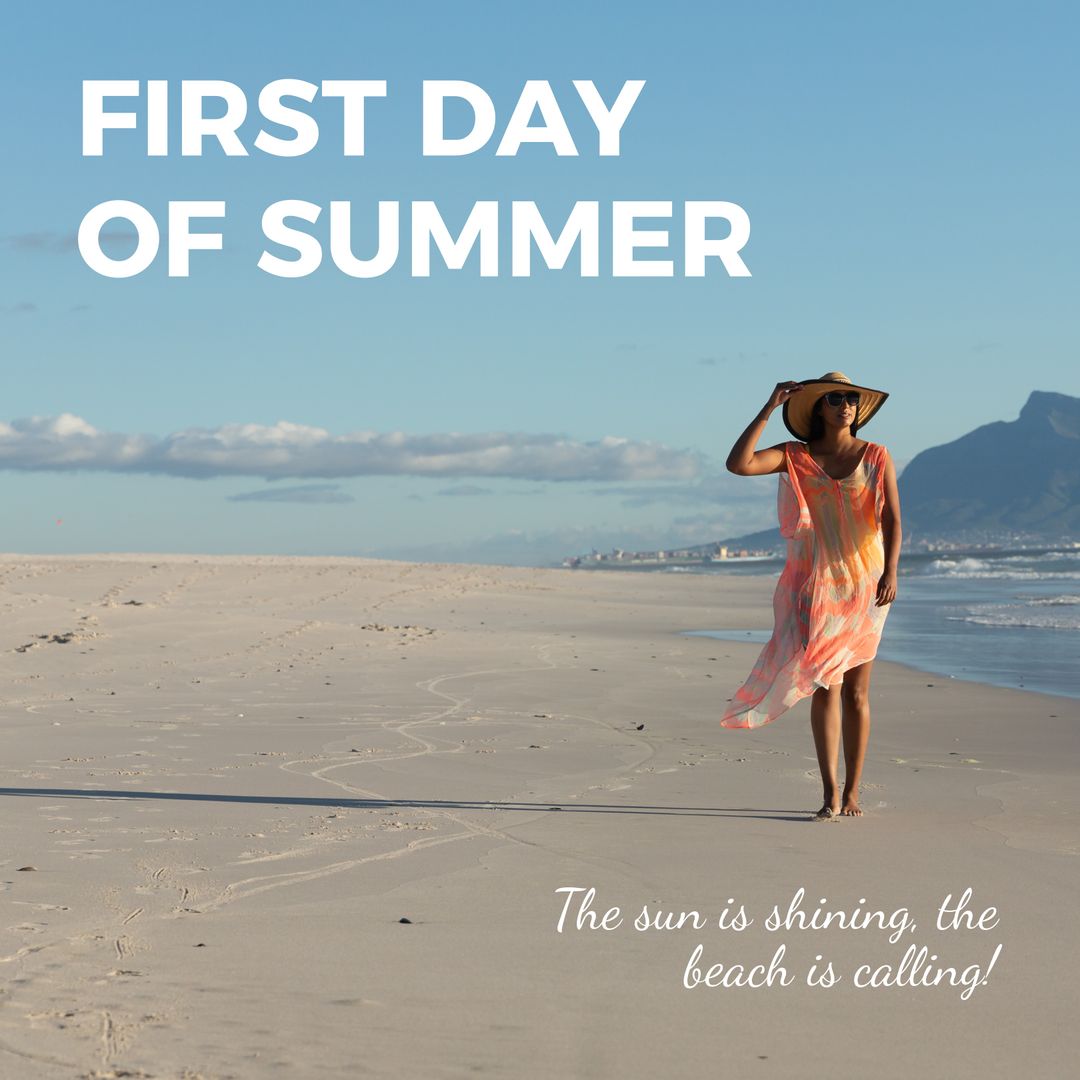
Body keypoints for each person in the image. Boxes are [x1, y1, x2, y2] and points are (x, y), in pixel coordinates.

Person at [722, 372, 901, 820]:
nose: (846, 405)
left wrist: (892, 572)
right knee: (825, 685)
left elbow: (893, 519)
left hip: (867, 587)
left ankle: (854, 792)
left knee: (857, 692)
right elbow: (738, 464)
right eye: (836, 398)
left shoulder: (876, 455)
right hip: (817, 587)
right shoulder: (795, 457)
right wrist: (768, 408)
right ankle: (829, 793)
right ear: (818, 408)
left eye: (852, 399)